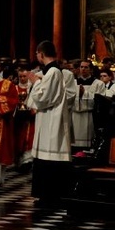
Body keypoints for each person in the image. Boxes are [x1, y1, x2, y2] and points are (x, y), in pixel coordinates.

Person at [26, 41, 72, 207]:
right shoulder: (51, 72)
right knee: (44, 159)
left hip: (52, 122)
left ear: (41, 54)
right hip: (47, 120)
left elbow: (44, 98)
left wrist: (35, 82)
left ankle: (50, 197)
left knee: (50, 159)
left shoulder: (53, 72)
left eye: (37, 54)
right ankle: (45, 196)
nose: (37, 57)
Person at [72, 59, 104, 151]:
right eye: (81, 67)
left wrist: (84, 93)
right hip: (74, 116)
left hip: (89, 116)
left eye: (86, 67)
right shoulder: (73, 83)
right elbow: (68, 99)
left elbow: (100, 100)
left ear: (91, 69)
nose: (83, 69)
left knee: (88, 144)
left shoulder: (98, 83)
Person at [13, 66, 35, 171]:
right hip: (17, 118)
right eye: (20, 76)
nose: (22, 78)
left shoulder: (32, 88)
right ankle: (19, 161)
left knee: (28, 138)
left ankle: (27, 160)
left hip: (29, 118)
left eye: (24, 76)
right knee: (18, 139)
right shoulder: (14, 88)